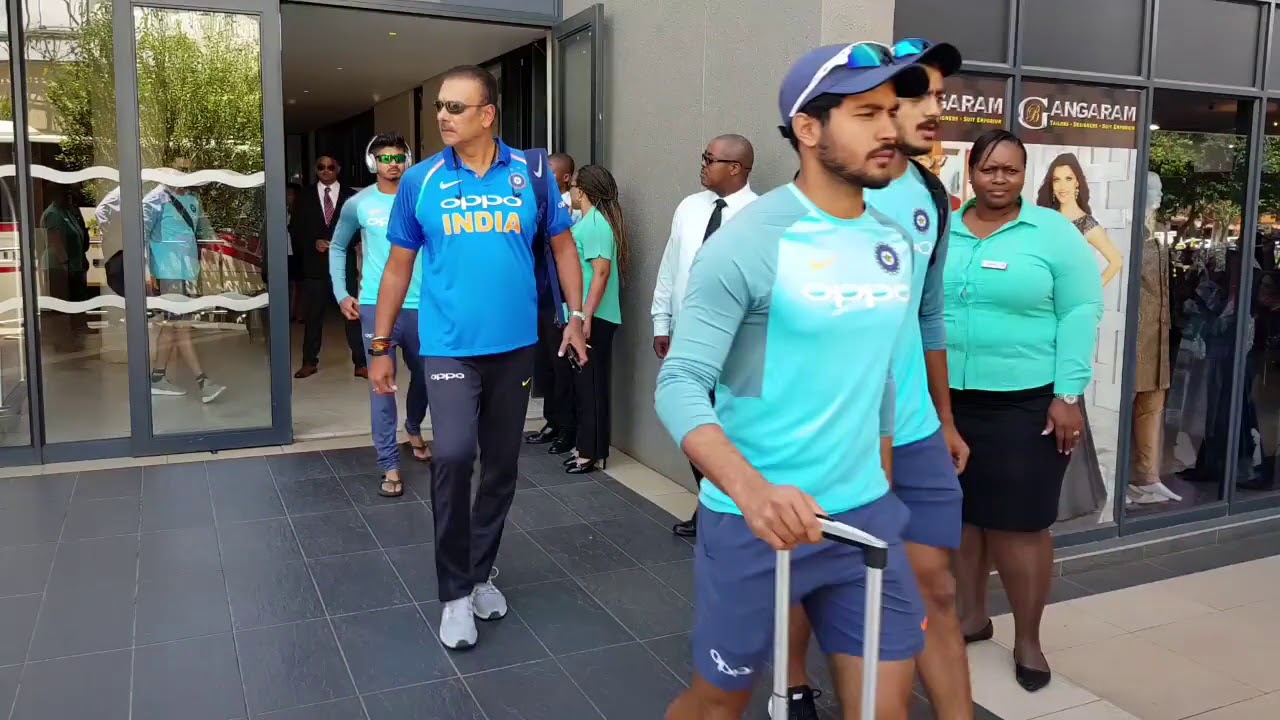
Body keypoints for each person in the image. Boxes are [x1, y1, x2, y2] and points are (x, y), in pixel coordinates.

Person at [656, 43, 929, 720]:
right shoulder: (749, 243)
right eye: (867, 113)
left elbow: (883, 374)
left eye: (893, 111)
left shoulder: (894, 240)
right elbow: (680, 382)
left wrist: (884, 480)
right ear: (808, 128)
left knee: (882, 712)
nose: (890, 129)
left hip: (864, 519)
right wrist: (750, 491)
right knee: (719, 702)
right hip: (756, 521)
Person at [781, 38, 975, 720]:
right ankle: (793, 684)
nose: (928, 111)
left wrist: (945, 418)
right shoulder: (812, 203)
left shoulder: (931, 197)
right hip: (835, 432)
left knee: (936, 588)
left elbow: (927, 315)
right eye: (907, 98)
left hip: (916, 428)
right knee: (824, 576)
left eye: (935, 97)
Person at [371, 64, 588, 651]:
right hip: (447, 347)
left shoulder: (533, 174)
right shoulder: (421, 181)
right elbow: (397, 267)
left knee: (500, 467)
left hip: (515, 348)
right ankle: (452, 595)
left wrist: (576, 315)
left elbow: (563, 248)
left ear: (487, 115)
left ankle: (478, 571)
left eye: (456, 107)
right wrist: (381, 344)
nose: (442, 115)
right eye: (439, 105)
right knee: (454, 455)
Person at [948, 129, 1103, 693]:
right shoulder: (943, 229)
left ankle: (1029, 640)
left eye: (1010, 170)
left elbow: (1082, 308)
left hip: (1028, 403)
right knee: (963, 519)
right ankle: (970, 616)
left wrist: (1067, 395)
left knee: (1019, 525)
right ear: (971, 170)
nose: (999, 179)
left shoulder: (1053, 232)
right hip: (951, 402)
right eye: (989, 168)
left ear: (1023, 174)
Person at [653, 133, 758, 539]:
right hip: (687, 338)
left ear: (735, 168)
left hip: (737, 346)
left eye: (710, 159)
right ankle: (710, 503)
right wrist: (661, 321)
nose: (702, 164)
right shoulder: (688, 208)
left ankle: (720, 512)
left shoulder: (759, 215)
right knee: (693, 429)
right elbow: (670, 267)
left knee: (727, 429)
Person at [329, 133, 431, 498]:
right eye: (384, 157)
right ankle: (389, 464)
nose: (392, 163)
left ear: (407, 160)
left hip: (423, 304)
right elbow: (338, 247)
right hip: (375, 305)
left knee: (427, 375)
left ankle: (415, 425)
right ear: (373, 163)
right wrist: (342, 293)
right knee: (381, 387)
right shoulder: (358, 204)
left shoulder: (424, 199)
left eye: (398, 157)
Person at [141, 158, 227, 403]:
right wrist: (147, 273)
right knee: (181, 326)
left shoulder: (192, 200)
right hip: (167, 271)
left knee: (172, 325)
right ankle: (203, 381)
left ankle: (157, 378)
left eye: (189, 170)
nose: (186, 175)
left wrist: (215, 243)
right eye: (182, 170)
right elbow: (141, 238)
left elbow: (203, 229)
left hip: (188, 269)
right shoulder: (154, 200)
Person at [562, 164, 628, 474]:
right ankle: (586, 445)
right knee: (583, 385)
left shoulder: (597, 225)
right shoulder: (587, 222)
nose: (571, 191)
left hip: (596, 317)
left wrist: (585, 317)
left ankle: (591, 452)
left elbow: (601, 273)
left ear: (582, 190)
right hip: (585, 316)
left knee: (591, 386)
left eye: (574, 185)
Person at [525, 150, 580, 453]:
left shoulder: (574, 212)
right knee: (545, 362)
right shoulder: (537, 205)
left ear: (566, 178)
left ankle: (567, 428)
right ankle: (552, 421)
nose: (542, 179)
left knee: (562, 366)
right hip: (541, 297)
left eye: (550, 173)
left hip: (561, 300)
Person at [291, 155, 365, 379]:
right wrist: (313, 242)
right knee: (313, 316)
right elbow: (295, 228)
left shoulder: (352, 196)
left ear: (338, 169)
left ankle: (361, 363)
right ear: (316, 170)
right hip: (316, 265)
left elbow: (361, 227)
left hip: (344, 264)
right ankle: (309, 362)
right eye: (321, 167)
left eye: (330, 167)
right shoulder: (304, 197)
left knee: (352, 314)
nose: (326, 171)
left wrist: (343, 243)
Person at [1035, 153, 1124, 287]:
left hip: (1067, 300)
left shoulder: (1086, 224)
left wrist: (1090, 291)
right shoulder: (1047, 216)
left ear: (1077, 182)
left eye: (1068, 179)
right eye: (1057, 180)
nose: (1062, 186)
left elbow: (1116, 261)